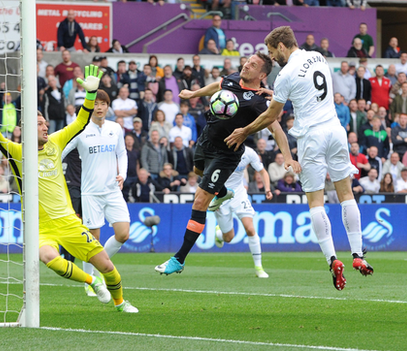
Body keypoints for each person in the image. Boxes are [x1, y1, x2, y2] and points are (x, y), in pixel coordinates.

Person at [0, 65, 138, 313]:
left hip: (68, 221)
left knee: (107, 265)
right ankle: (91, 281)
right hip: (39, 227)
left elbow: (80, 121)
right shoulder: (18, 152)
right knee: (49, 258)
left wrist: (90, 95)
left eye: (46, 123)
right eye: (39, 124)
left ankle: (121, 302)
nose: (46, 127)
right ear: (26, 128)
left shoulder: (56, 142)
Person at [226, 26, 374, 290]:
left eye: (273, 52)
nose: (274, 57)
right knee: (346, 195)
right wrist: (276, 95)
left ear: (282, 46)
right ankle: (357, 254)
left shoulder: (285, 74)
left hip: (312, 138)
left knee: (316, 202)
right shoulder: (319, 57)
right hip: (336, 131)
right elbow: (309, 92)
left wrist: (245, 130)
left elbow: (271, 116)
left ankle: (332, 260)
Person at [155, 52, 297, 275]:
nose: (246, 65)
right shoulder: (232, 79)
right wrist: (194, 93)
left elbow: (276, 128)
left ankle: (179, 258)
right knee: (197, 171)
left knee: (200, 200)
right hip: (206, 140)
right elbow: (216, 86)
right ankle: (222, 193)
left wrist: (287, 157)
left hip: (227, 154)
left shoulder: (259, 102)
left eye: (252, 65)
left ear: (262, 74)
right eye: (247, 61)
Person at [61, 89, 131, 298]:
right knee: (93, 240)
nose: (99, 107)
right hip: (90, 193)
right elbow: (60, 151)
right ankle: (90, 281)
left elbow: (122, 153)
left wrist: (123, 174)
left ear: (108, 106)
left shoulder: (115, 128)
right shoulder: (80, 130)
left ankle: (99, 268)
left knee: (123, 233)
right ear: (89, 107)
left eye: (103, 104)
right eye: (96, 104)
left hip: (112, 190)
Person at [213, 146, 272, 278]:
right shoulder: (219, 150)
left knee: (250, 229)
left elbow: (262, 171)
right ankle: (219, 234)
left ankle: (259, 267)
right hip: (221, 195)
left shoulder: (249, 153)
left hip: (239, 194)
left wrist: (267, 188)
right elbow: (208, 175)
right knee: (229, 238)